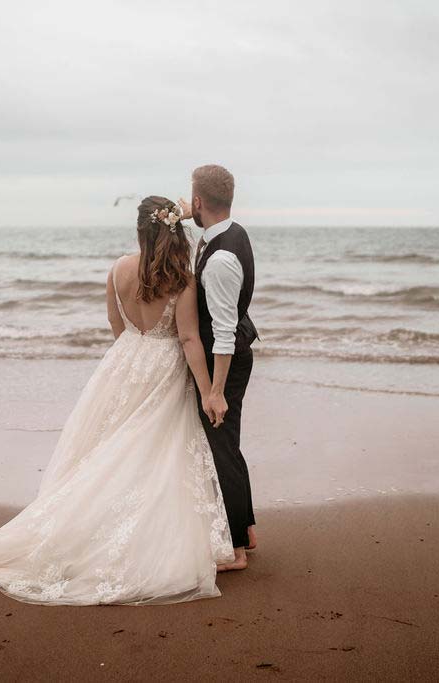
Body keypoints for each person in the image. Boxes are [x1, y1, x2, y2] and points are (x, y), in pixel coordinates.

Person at [0, 195, 235, 605]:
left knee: (108, 451)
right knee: (149, 453)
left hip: (123, 363)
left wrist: (131, 359)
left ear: (141, 230)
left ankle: (85, 530)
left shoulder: (118, 269)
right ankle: (140, 538)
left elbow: (114, 323)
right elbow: (190, 339)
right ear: (174, 230)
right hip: (164, 368)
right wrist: (211, 390)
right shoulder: (183, 278)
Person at [177, 164, 259, 572]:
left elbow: (224, 332)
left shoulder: (221, 256)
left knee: (220, 446)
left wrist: (215, 391)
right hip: (229, 352)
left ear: (198, 201)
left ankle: (236, 551)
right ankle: (245, 530)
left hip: (223, 359)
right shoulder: (228, 234)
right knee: (227, 444)